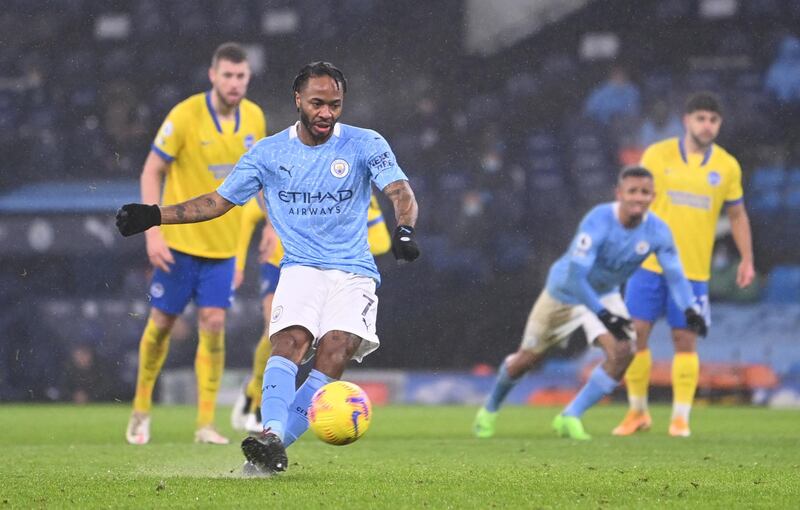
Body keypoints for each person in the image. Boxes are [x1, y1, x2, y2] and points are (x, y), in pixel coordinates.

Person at [115, 61, 420, 474]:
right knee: (290, 342)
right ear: (298, 100)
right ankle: (272, 433)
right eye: (317, 103)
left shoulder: (365, 143)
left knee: (335, 351)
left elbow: (400, 190)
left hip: (354, 271)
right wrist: (155, 215)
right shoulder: (268, 153)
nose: (326, 113)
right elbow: (216, 203)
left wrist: (404, 231)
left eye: (335, 104)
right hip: (300, 268)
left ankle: (269, 449)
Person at [473, 166, 706, 440]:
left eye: (645, 192)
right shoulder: (598, 221)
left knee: (624, 351)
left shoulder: (658, 231)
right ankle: (489, 410)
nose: (638, 198)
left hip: (604, 293)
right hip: (566, 291)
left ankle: (570, 415)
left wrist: (690, 307)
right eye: (632, 191)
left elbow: (676, 276)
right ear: (619, 194)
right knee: (526, 360)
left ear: (653, 196)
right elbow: (575, 276)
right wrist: (604, 315)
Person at [124, 42, 266, 445]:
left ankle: (205, 424)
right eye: (227, 75)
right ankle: (140, 410)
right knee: (163, 325)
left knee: (215, 325)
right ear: (212, 75)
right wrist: (152, 231)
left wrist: (271, 224)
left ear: (248, 78)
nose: (234, 83)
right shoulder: (185, 115)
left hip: (221, 250)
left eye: (241, 76)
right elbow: (152, 170)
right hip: (179, 245)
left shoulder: (255, 117)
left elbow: (260, 180)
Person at [614, 92, 754, 438]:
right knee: (636, 337)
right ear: (686, 121)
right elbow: (634, 201)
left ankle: (680, 419)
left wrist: (747, 258)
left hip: (692, 271)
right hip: (648, 265)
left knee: (685, 340)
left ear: (719, 125)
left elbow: (737, 214)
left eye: (713, 120)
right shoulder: (657, 155)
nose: (707, 125)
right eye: (701, 118)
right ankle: (637, 413)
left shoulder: (727, 167)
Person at [230, 193, 391, 433]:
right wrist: (238, 265)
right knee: (275, 333)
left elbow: (382, 241)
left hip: (334, 270)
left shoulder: (358, 192)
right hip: (279, 264)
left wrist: (343, 239)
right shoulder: (297, 183)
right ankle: (256, 400)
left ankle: (261, 397)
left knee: (326, 344)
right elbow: (249, 213)